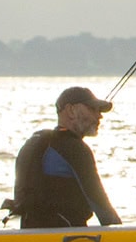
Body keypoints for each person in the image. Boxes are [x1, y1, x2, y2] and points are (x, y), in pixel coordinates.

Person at [10, 86, 122, 229]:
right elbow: (101, 206)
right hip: (67, 240)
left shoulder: (34, 142)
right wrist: (126, 240)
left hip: (30, 237)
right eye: (92, 109)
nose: (99, 116)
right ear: (71, 110)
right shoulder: (75, 148)